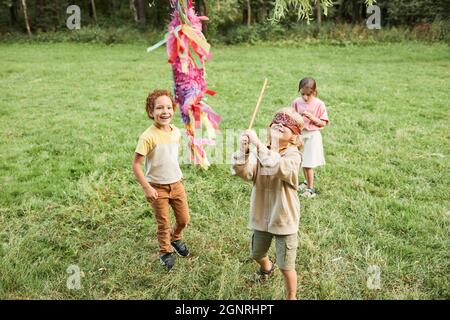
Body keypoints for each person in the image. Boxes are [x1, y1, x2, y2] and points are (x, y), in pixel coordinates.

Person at [231, 108, 304, 300]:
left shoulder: (293, 156)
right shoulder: (261, 152)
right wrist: (244, 151)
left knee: (286, 266)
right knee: (256, 253)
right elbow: (245, 173)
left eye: (286, 124)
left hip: (284, 218)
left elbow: (278, 166)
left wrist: (258, 146)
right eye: (276, 122)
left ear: (294, 137)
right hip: (262, 216)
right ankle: (266, 266)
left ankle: (291, 296)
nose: (280, 124)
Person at [132, 89, 190, 271]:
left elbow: (170, 156)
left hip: (177, 184)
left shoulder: (176, 132)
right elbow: (136, 165)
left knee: (183, 219)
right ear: (151, 112)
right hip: (158, 188)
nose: (165, 112)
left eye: (168, 107)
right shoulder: (148, 136)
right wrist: (147, 188)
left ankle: (176, 237)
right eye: (159, 108)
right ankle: (165, 250)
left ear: (173, 109)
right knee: (163, 222)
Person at [291, 77, 330, 198]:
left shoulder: (319, 104)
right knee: (302, 160)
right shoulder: (296, 102)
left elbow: (323, 123)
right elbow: (292, 118)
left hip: (313, 136)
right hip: (301, 135)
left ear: (314, 91)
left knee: (309, 163)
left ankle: (310, 189)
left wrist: (312, 118)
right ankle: (306, 182)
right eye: (302, 94)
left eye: (308, 95)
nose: (305, 97)